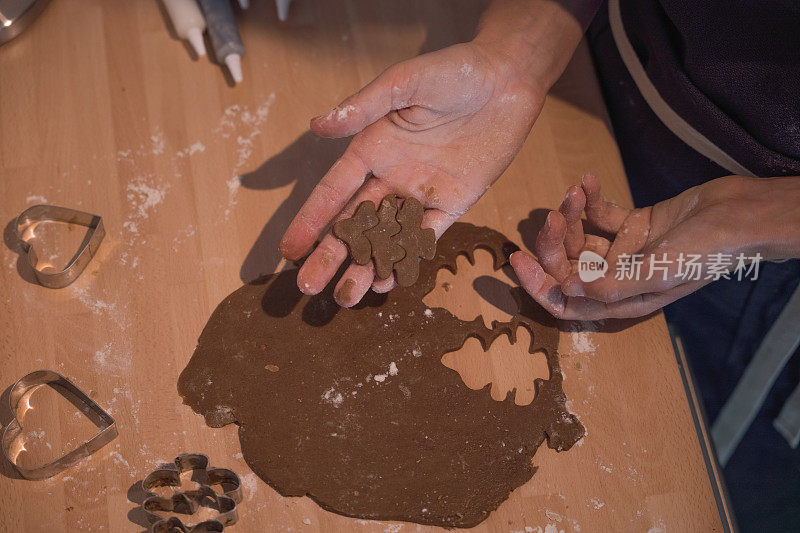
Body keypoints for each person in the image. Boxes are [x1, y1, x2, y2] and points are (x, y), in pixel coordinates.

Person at [279, 1, 800, 529]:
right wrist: (517, 56)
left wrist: (767, 216)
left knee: (689, 467)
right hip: (607, 67)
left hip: (769, 248)